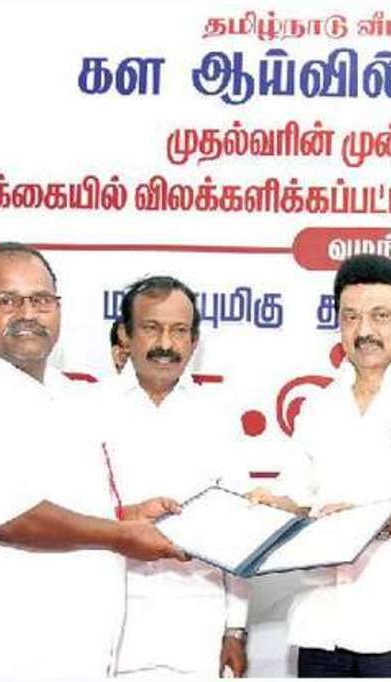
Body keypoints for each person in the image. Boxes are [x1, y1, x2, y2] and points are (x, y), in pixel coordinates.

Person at [0, 242, 185, 678]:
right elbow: (10, 518)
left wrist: (127, 515)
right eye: (7, 301)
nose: (28, 314)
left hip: (69, 658)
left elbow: (62, 504)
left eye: (41, 300)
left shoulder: (69, 396)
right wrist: (120, 535)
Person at [247, 254, 391, 678]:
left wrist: (373, 525)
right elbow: (300, 501)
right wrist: (268, 507)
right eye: (350, 317)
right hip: (321, 628)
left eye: (380, 316)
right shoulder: (317, 408)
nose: (364, 330)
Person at [104, 275, 251, 678]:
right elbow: (66, 521)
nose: (166, 344)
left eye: (179, 331)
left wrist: (235, 629)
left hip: (198, 630)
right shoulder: (85, 411)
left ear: (194, 341)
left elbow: (239, 532)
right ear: (125, 335)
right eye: (152, 328)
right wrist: (124, 518)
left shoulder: (219, 417)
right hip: (107, 628)